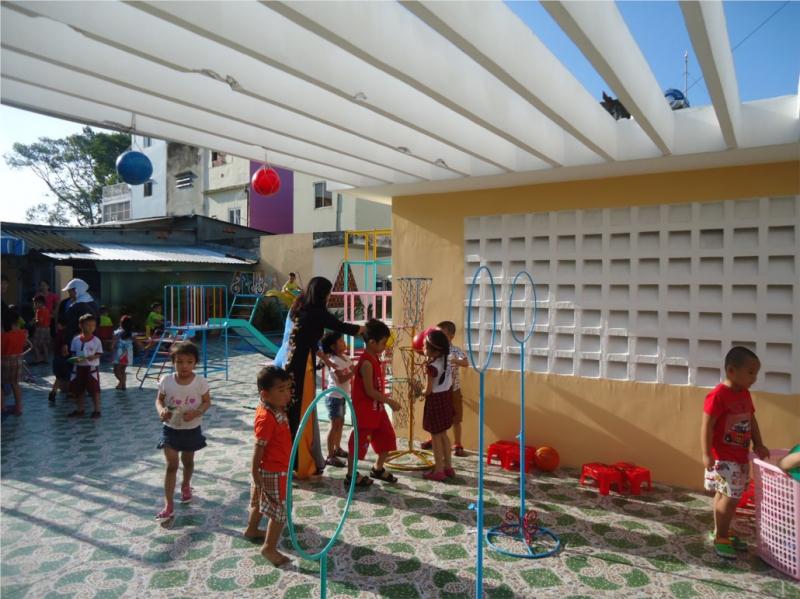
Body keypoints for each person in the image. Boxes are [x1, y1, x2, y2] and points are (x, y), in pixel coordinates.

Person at [278, 277, 363, 479]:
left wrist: (323, 358)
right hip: (299, 369)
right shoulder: (315, 311)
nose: (329, 296)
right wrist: (363, 330)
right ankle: (298, 463)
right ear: (322, 294)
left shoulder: (301, 307)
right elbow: (339, 326)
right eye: (328, 292)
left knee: (298, 412)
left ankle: (298, 460)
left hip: (294, 364)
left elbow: (308, 340)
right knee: (298, 414)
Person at [701, 346, 769, 559]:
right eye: (750, 372)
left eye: (756, 373)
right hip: (724, 457)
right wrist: (706, 454)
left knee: (725, 495)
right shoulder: (718, 395)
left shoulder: (745, 394)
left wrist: (759, 443)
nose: (754, 378)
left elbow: (751, 419)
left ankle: (719, 531)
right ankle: (721, 536)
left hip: (740, 456)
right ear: (731, 370)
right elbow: (707, 426)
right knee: (730, 498)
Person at [154, 341, 211, 520]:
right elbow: (159, 400)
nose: (184, 366)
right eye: (179, 362)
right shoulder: (166, 380)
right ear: (173, 362)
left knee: (188, 461)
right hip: (170, 429)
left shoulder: (200, 382)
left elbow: (207, 401)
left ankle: (186, 485)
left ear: (195, 363)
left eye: (189, 362)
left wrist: (197, 412)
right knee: (172, 465)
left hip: (191, 429)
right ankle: (168, 505)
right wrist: (161, 411)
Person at [345, 319, 402, 488]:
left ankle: (377, 468)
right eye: (383, 343)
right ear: (372, 342)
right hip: (366, 412)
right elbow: (369, 391)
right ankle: (351, 475)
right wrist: (389, 401)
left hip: (377, 410)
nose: (385, 346)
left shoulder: (374, 358)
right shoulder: (367, 363)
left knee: (387, 438)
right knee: (358, 443)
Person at [246, 366, 293, 566]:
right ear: (265, 394)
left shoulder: (273, 407)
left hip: (268, 469)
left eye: (288, 388)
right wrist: (255, 471)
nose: (287, 393)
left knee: (259, 501)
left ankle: (251, 530)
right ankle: (269, 548)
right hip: (273, 470)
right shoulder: (267, 417)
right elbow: (259, 446)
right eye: (281, 390)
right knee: (280, 512)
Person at [421, 322, 469, 455]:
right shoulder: (435, 351)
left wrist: (454, 361)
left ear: (451, 336)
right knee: (437, 418)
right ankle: (432, 438)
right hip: (438, 391)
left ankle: (458, 443)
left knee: (456, 418)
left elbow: (466, 363)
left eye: (442, 334)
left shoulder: (455, 351)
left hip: (453, 390)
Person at [422, 328, 454, 481]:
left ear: (434, 351)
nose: (423, 349)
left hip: (435, 400)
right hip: (446, 398)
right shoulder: (446, 362)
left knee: (435, 437)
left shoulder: (431, 367)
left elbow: (428, 390)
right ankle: (448, 466)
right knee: (443, 435)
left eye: (425, 346)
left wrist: (419, 391)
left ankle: (438, 470)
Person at [320, 331, 354, 467]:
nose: (343, 342)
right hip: (334, 397)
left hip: (342, 396)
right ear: (333, 347)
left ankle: (337, 447)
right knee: (334, 425)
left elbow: (355, 368)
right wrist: (354, 372)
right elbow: (341, 379)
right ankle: (330, 455)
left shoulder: (345, 358)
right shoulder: (334, 361)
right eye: (340, 341)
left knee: (340, 424)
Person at [68, 313, 103, 418]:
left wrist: (94, 357)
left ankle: (97, 410)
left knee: (94, 390)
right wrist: (75, 359)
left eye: (93, 325)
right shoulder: (75, 340)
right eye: (88, 325)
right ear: (81, 325)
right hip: (79, 368)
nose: (91, 327)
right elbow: (73, 355)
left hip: (91, 369)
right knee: (79, 390)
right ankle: (80, 409)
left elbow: (99, 353)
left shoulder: (96, 341)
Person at [60, 279, 99, 361]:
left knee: (75, 364)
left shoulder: (77, 306)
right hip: (91, 341)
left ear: (76, 290)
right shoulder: (92, 302)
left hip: (77, 342)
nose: (69, 294)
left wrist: (66, 342)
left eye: (70, 291)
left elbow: (70, 325)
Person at [1, 307, 28, 415]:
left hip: (5, 362)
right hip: (18, 361)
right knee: (15, 384)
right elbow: (24, 344)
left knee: (1, 385)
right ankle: (18, 407)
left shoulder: (4, 336)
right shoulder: (22, 333)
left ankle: (2, 407)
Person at [112, 315, 140, 391]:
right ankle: (123, 385)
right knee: (122, 370)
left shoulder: (118, 333)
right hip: (127, 354)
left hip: (120, 354)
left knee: (116, 370)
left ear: (121, 323)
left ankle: (121, 382)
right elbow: (138, 343)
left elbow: (114, 343)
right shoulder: (130, 334)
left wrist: (112, 347)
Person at [49, 316, 70, 403]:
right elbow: (65, 347)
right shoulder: (66, 334)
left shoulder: (58, 333)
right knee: (67, 377)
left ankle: (53, 393)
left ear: (59, 324)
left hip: (56, 358)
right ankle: (69, 393)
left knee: (59, 377)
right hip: (63, 359)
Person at [31, 295, 52, 364]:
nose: (34, 305)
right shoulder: (46, 310)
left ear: (41, 303)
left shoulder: (40, 310)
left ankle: (38, 358)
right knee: (44, 344)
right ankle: (46, 359)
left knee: (35, 344)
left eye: (35, 303)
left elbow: (40, 321)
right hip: (47, 329)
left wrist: (33, 322)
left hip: (41, 329)